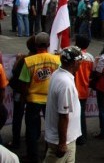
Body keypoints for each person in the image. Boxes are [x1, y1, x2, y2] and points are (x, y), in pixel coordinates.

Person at [19, 32, 61, 163]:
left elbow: (24, 84)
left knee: (31, 130)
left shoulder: (29, 61)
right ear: (48, 45)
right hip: (50, 100)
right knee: (51, 129)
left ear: (36, 45)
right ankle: (49, 154)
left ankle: (33, 157)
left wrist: (24, 97)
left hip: (33, 100)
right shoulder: (57, 60)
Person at [44, 46, 83, 163]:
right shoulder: (65, 83)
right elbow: (63, 115)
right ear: (75, 63)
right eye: (81, 60)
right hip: (62, 141)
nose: (82, 63)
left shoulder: (58, 73)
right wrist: (62, 143)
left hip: (68, 139)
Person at [74, 35, 95, 145]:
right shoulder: (90, 58)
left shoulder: (73, 56)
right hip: (84, 89)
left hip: (73, 89)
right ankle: (82, 136)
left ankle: (78, 137)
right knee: (81, 113)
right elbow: (92, 73)